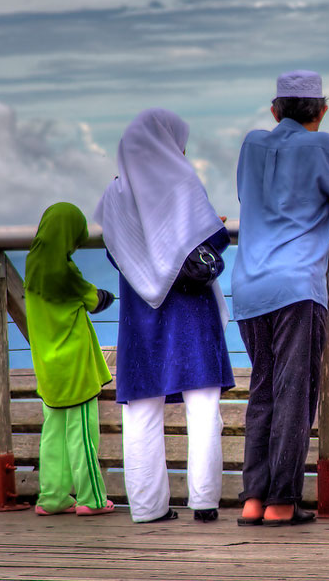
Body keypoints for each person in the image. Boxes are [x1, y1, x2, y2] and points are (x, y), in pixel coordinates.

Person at [232, 70, 329, 526]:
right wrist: (327, 216)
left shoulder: (252, 145)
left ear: (275, 110)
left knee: (264, 391)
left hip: (249, 283)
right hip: (296, 286)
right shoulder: (325, 148)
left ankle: (253, 499)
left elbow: (254, 201)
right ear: (323, 110)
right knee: (295, 395)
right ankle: (281, 503)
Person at [94, 108, 234, 524]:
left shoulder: (114, 195)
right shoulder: (182, 183)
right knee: (204, 407)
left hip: (141, 314)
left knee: (140, 409)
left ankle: (147, 507)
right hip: (190, 310)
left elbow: (115, 253)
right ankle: (205, 502)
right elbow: (212, 240)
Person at [25, 202, 115, 517]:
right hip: (75, 366)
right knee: (83, 437)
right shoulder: (66, 271)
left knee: (54, 436)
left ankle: (52, 498)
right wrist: (108, 295)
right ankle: (92, 499)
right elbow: (94, 300)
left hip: (47, 366)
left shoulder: (33, 265)